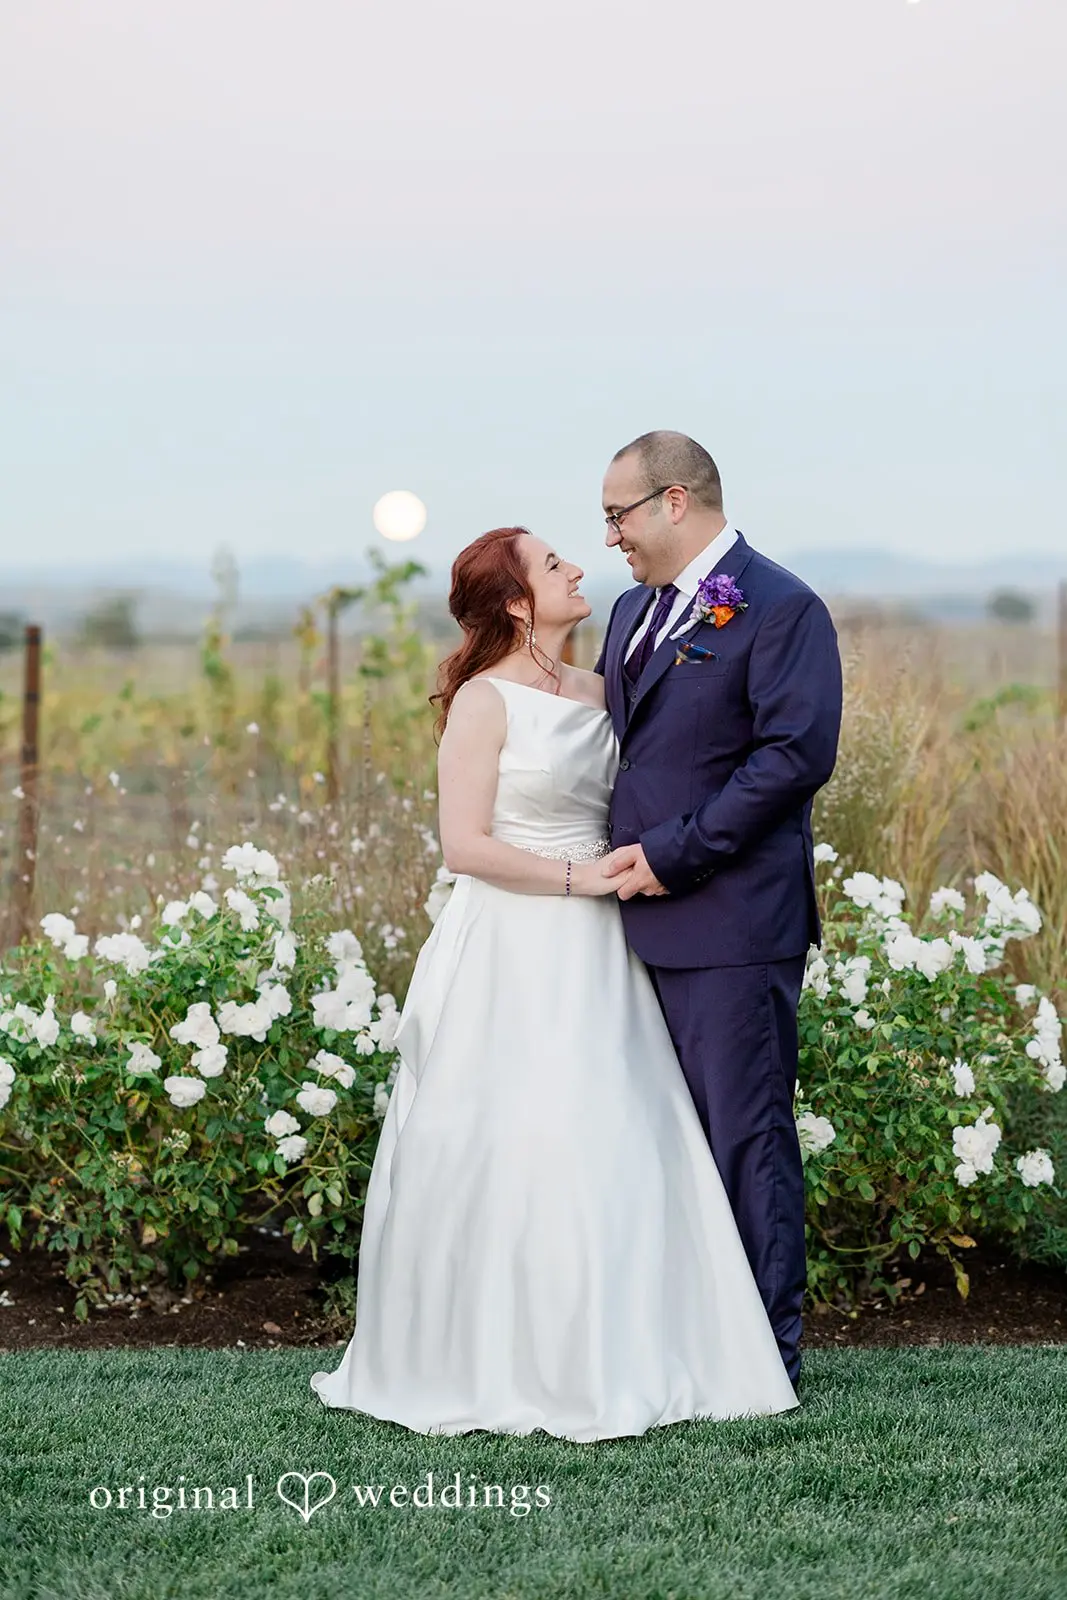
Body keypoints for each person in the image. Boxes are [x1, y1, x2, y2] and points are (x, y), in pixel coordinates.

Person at [309, 523, 800, 1440]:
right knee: (512, 1132)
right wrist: (583, 879)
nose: (578, 564)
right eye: (551, 563)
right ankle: (491, 1353)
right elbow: (465, 846)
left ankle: (628, 1343)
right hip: (515, 936)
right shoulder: (483, 705)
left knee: (616, 1127)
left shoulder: (605, 682)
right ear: (515, 602)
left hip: (606, 943)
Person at [596, 431, 843, 1387]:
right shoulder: (626, 614)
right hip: (630, 921)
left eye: (616, 513)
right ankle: (687, 1333)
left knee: (744, 1136)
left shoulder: (781, 607)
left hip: (733, 923)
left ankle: (762, 1356)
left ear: (672, 501)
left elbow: (791, 758)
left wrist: (673, 855)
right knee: (659, 1138)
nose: (609, 534)